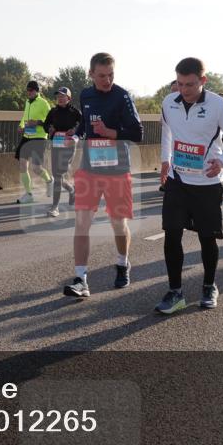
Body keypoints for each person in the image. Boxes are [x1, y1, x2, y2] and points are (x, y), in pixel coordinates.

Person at [155, 58, 223, 313]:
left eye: (190, 85)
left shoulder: (218, 104)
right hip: (177, 180)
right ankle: (175, 292)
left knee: (207, 238)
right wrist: (165, 161)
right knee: (172, 234)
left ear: (203, 81)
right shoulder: (168, 103)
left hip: (207, 183)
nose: (184, 90)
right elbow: (167, 133)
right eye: (180, 84)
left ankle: (208, 285)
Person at [64, 53, 143, 298]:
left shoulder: (123, 97)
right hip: (90, 168)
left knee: (118, 223)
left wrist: (111, 132)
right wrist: (76, 136)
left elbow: (137, 132)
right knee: (82, 223)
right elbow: (86, 125)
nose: (107, 80)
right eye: (102, 76)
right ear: (91, 74)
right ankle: (81, 279)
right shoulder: (86, 95)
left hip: (117, 169)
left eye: (111, 75)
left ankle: (122, 263)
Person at [43, 87, 80, 217]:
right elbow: (45, 125)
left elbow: (83, 126)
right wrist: (50, 129)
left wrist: (75, 132)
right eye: (58, 96)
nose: (60, 98)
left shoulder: (75, 112)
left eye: (62, 96)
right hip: (56, 145)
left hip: (69, 147)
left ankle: (55, 207)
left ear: (68, 98)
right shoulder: (53, 112)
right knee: (57, 176)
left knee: (59, 175)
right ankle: (72, 189)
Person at [15, 80, 53, 204]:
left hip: (39, 138)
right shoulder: (27, 102)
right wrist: (21, 126)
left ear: (37, 91)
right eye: (28, 90)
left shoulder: (44, 103)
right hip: (27, 136)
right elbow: (24, 117)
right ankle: (29, 194)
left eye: (31, 90)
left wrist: (37, 122)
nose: (29, 92)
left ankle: (49, 181)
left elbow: (50, 121)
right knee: (22, 165)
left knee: (36, 168)